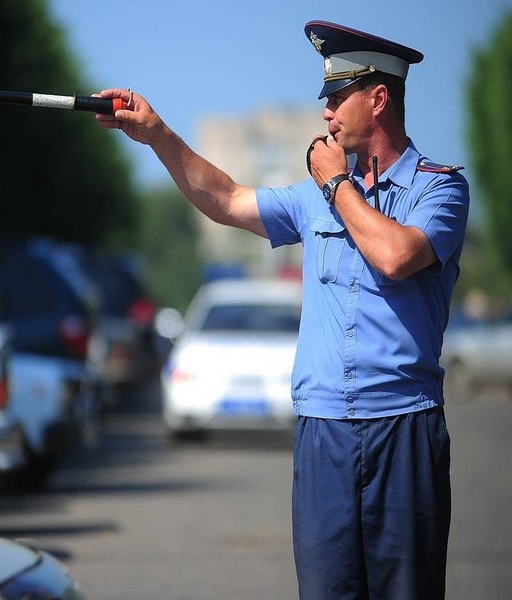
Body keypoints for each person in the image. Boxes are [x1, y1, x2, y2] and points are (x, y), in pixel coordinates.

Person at [94, 20, 469, 600]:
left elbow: (396, 255)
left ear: (378, 98)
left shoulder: (437, 190)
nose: (327, 113)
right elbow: (224, 198)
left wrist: (337, 186)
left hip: (402, 426)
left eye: (338, 97)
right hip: (324, 433)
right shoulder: (314, 194)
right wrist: (157, 134)